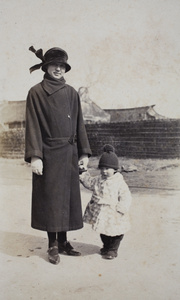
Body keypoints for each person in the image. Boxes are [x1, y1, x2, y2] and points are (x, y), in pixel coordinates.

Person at [25, 46, 92, 265]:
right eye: (55, 65)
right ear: (46, 67)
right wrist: (35, 156)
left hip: (69, 154)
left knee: (68, 199)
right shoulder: (36, 92)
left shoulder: (72, 92)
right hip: (49, 153)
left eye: (62, 66)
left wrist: (84, 152)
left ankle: (64, 242)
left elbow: (79, 124)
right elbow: (33, 126)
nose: (59, 69)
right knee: (51, 199)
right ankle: (52, 244)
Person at [79, 144, 132, 260]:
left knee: (116, 232)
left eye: (107, 169)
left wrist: (122, 206)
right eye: (102, 168)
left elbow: (125, 195)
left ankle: (113, 249)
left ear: (115, 169)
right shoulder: (98, 179)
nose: (104, 171)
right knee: (103, 231)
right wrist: (82, 174)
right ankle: (106, 246)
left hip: (114, 212)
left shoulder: (119, 182)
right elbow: (89, 183)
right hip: (101, 212)